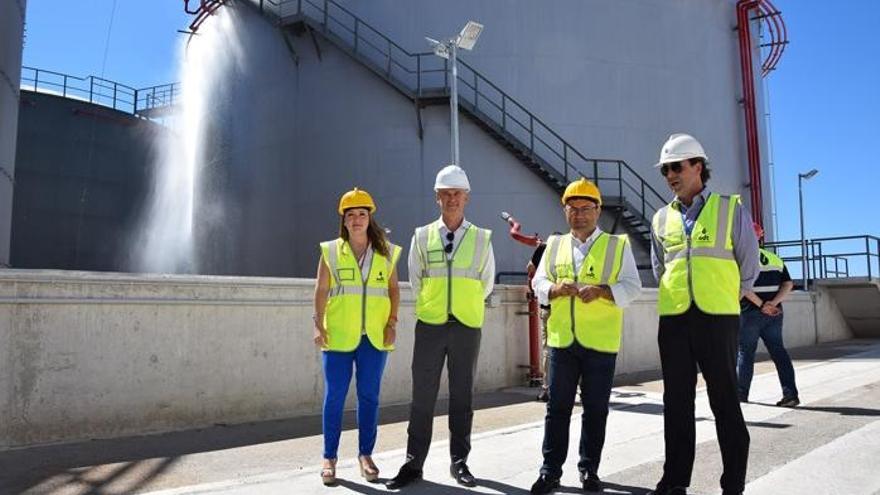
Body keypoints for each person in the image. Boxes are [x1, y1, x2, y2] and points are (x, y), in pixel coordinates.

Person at [648, 134, 759, 495]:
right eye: (665, 169)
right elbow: (660, 268)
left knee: (724, 399)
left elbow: (749, 266)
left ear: (698, 166)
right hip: (675, 319)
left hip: (718, 318)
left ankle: (733, 484)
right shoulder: (661, 218)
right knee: (676, 402)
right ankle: (675, 480)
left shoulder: (730, 209)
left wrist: (724, 293)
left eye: (676, 166)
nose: (670, 175)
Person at [528, 178, 642, 494]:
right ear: (565, 211)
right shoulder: (553, 245)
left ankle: (589, 470)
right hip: (563, 341)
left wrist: (604, 292)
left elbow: (632, 287)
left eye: (586, 208)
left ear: (598, 210)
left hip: (600, 343)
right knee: (557, 410)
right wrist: (553, 289)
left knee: (595, 410)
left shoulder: (618, 245)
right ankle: (550, 472)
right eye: (573, 208)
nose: (579, 214)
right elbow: (538, 283)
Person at [386, 165, 495, 490]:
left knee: (463, 396)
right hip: (431, 326)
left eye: (456, 193)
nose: (451, 199)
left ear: (466, 197)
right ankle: (413, 463)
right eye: (445, 194)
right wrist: (435, 306)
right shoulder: (422, 236)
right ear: (437, 198)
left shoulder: (481, 238)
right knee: (422, 396)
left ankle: (459, 462)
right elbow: (416, 280)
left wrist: (462, 303)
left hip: (466, 325)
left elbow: (486, 283)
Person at [313, 187, 402, 486]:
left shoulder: (386, 252)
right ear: (344, 221)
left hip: (374, 337)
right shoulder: (331, 251)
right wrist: (318, 324)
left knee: (369, 397)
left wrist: (392, 321)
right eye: (350, 215)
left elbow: (393, 290)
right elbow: (321, 290)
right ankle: (329, 457)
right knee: (334, 397)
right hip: (338, 335)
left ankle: (366, 455)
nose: (356, 220)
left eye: (361, 214)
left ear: (369, 218)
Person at [737, 222, 799, 407]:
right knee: (779, 352)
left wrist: (762, 305)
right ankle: (791, 394)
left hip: (749, 314)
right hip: (774, 314)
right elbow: (788, 284)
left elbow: (743, 286)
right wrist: (773, 303)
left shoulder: (741, 259)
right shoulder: (774, 259)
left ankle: (741, 394)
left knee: (745, 353)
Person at [527, 240, 552, 402]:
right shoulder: (570, 248)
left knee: (549, 349)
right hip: (572, 307)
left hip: (548, 306)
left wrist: (534, 285)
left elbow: (530, 267)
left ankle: (547, 389)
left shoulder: (543, 247)